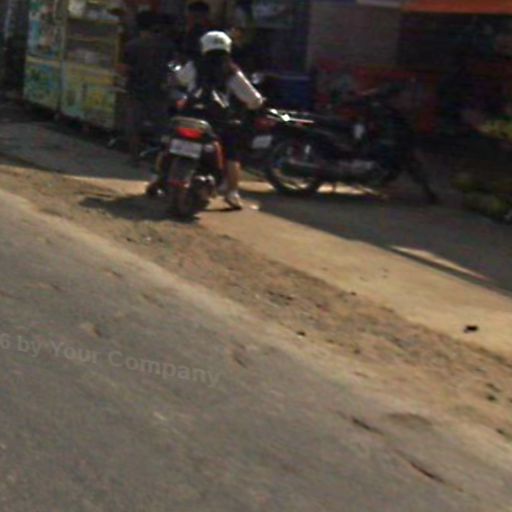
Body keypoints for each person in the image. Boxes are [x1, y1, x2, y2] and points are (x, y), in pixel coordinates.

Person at [158, 31, 264, 210]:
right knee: (231, 154)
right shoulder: (231, 71)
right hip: (216, 122)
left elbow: (179, 80)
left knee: (167, 141)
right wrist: (253, 106)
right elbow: (254, 99)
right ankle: (232, 193)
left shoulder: (194, 65)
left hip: (189, 116)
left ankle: (157, 176)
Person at [121, 11, 175, 164]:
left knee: (133, 126)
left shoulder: (132, 46)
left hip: (136, 90)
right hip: (159, 91)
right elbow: (174, 68)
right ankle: (164, 160)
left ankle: (134, 158)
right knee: (162, 127)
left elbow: (124, 69)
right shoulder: (167, 45)